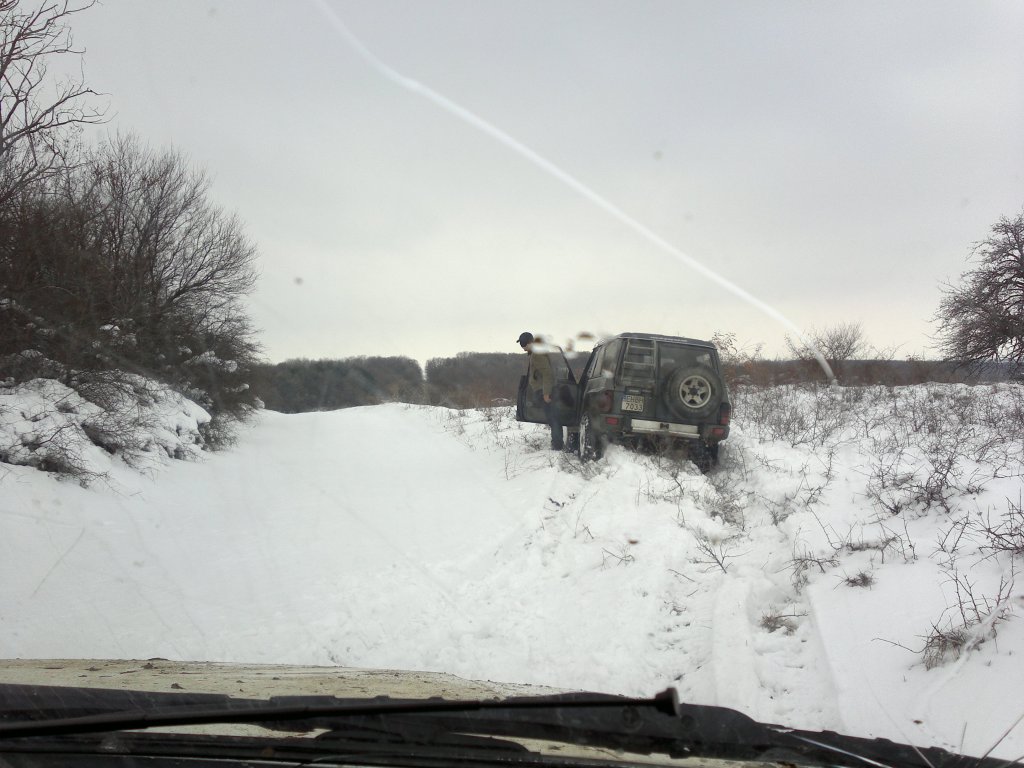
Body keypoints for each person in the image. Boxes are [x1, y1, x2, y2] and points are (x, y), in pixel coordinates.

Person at [518, 331, 564, 450]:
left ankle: (557, 446)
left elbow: (547, 373)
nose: (522, 346)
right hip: (543, 389)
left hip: (544, 391)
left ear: (529, 342)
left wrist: (546, 393)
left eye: (523, 343)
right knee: (552, 418)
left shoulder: (537, 354)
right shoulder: (536, 352)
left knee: (553, 418)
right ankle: (557, 444)